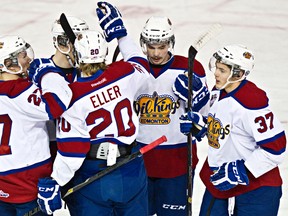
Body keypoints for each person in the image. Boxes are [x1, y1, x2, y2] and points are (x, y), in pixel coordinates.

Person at [36, 3, 152, 215]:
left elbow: (73, 150)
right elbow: (142, 65)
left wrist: (56, 181)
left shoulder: (72, 96)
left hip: (92, 176)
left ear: (78, 55)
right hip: (132, 169)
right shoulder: (125, 72)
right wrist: (121, 34)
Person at [180, 44, 287, 216]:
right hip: (220, 181)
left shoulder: (251, 102)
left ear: (238, 74)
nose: (215, 73)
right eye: (217, 68)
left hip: (257, 190)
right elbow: (225, 127)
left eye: (222, 70)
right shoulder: (218, 92)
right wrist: (202, 127)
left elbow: (276, 150)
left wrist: (243, 170)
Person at [128, 15, 210, 216]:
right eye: (151, 46)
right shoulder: (133, 69)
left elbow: (205, 119)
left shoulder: (190, 68)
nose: (156, 53)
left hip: (177, 161)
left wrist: (197, 110)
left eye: (162, 47)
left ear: (170, 43)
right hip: (137, 161)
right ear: (143, 43)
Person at [0, 35, 61, 216]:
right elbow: (57, 105)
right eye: (22, 56)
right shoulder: (21, 91)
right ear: (9, 63)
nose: (28, 59)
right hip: (29, 180)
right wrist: (48, 73)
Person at [28, 16, 89, 161]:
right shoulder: (38, 73)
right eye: (80, 42)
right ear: (62, 43)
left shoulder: (87, 70)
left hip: (82, 149)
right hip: (49, 150)